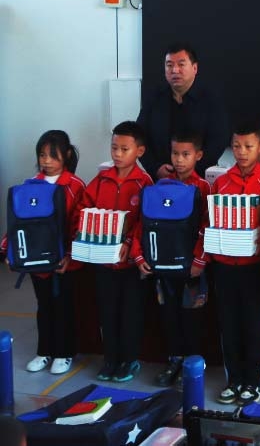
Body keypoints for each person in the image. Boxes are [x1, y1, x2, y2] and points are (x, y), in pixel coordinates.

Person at [73, 121, 154, 383]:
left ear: (139, 151)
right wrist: (85, 231)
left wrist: (130, 243)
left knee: (130, 313)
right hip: (102, 262)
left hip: (129, 264)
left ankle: (129, 360)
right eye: (114, 148)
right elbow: (83, 209)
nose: (117, 154)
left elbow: (144, 221)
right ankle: (110, 359)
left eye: (124, 149)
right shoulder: (101, 179)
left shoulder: (144, 183)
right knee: (107, 311)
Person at [0, 130, 86, 375]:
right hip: (36, 262)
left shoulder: (75, 185)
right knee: (44, 306)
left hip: (62, 262)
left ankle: (64, 353)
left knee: (63, 307)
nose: (46, 161)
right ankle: (44, 351)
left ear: (66, 155)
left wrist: (69, 255)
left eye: (52, 155)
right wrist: (9, 251)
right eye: (42, 155)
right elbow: (17, 222)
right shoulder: (29, 185)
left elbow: (78, 225)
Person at [132, 130, 211, 387]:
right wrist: (139, 254)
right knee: (169, 315)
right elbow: (144, 224)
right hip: (162, 267)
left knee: (192, 318)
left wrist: (199, 260)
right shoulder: (159, 187)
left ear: (198, 155)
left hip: (191, 269)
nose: (179, 159)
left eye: (186, 154)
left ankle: (192, 367)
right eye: (175, 153)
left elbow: (207, 227)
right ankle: (174, 361)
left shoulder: (203, 187)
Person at [211, 121, 260, 406]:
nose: (241, 151)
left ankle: (254, 381)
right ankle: (234, 379)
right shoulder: (221, 182)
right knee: (228, 324)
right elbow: (209, 221)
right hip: (224, 264)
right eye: (237, 146)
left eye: (248, 146)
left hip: (255, 266)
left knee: (254, 324)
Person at [137, 42, 230, 179]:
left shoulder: (211, 100)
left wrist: (192, 172)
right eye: (169, 65)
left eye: (181, 64)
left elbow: (219, 141)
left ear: (195, 68)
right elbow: (139, 137)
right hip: (161, 178)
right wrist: (155, 168)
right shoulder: (154, 98)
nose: (175, 70)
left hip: (199, 179)